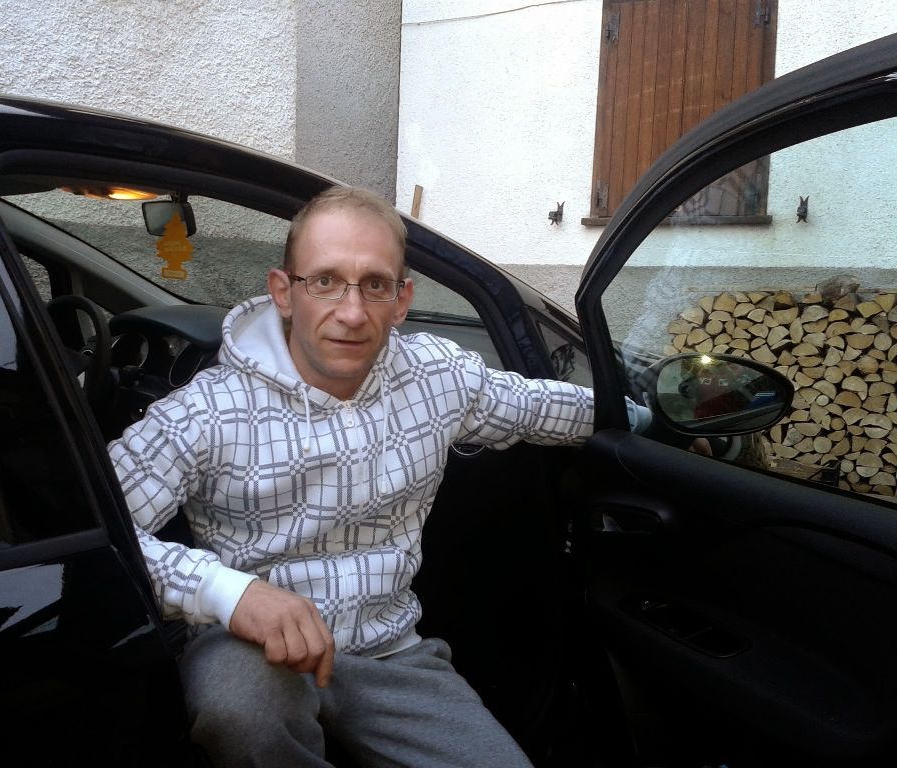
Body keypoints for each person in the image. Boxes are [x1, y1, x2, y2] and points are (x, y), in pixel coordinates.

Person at [107, 185, 652, 767]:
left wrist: (657, 417)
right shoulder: (204, 412)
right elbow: (99, 530)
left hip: (392, 653)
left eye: (374, 284)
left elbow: (538, 407)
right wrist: (228, 592)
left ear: (402, 299)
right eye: (325, 281)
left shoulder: (436, 376)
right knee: (241, 708)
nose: (352, 312)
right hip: (250, 650)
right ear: (284, 291)